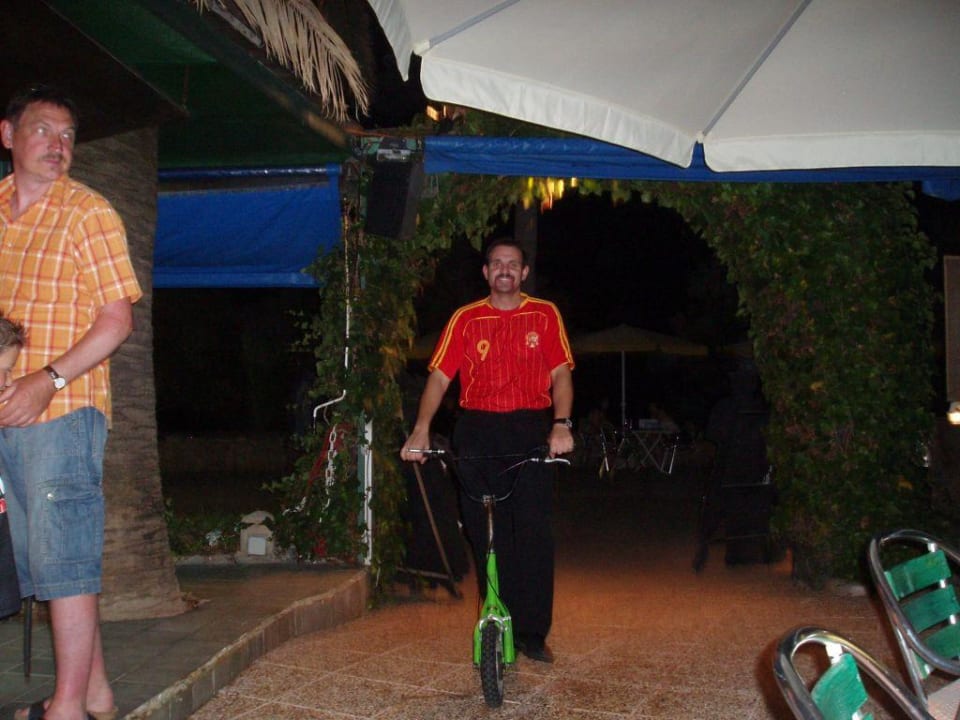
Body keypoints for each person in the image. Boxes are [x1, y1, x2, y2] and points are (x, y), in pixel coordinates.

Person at [0, 84, 143, 720]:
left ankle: (65, 710)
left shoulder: (88, 212)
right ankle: (95, 693)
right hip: (9, 411)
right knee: (44, 560)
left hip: (65, 409)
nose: (58, 145)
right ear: (8, 135)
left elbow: (117, 321)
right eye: (43, 130)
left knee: (64, 557)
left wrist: (46, 381)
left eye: (67, 136)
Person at [401, 238, 574, 663]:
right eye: (497, 263)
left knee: (532, 531)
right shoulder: (465, 319)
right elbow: (440, 378)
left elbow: (560, 373)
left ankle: (531, 633)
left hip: (528, 427)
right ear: (486, 272)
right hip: (477, 429)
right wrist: (421, 429)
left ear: (524, 272)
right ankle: (498, 618)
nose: (504, 270)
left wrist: (561, 424)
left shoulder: (544, 314)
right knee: (484, 532)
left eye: (512, 264)